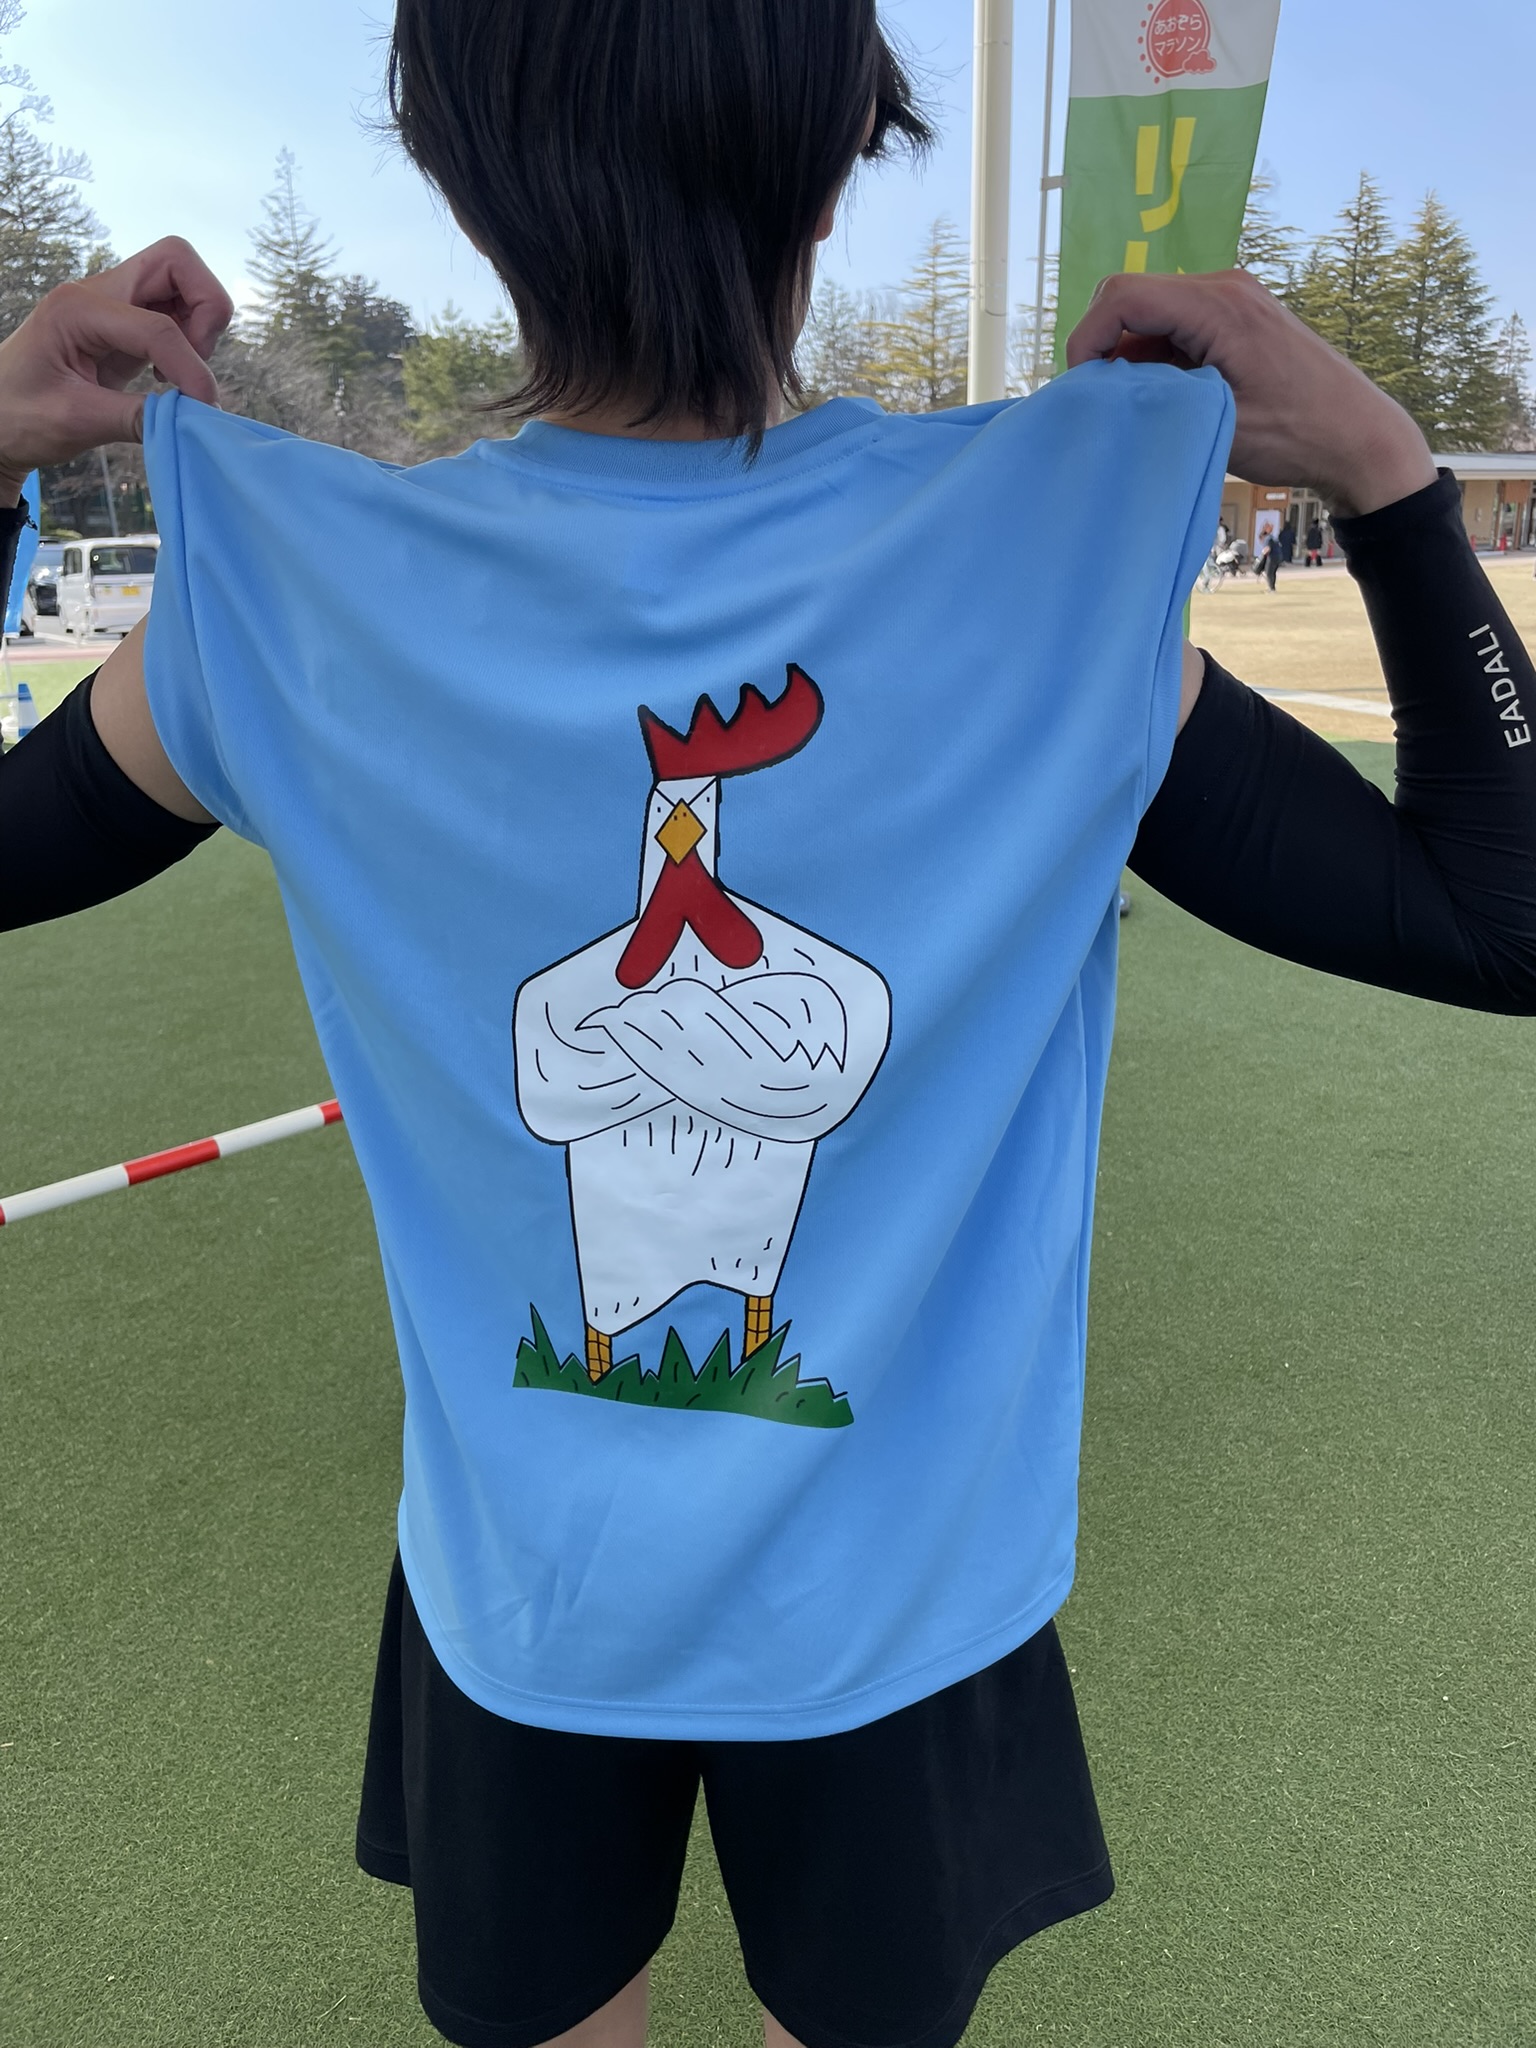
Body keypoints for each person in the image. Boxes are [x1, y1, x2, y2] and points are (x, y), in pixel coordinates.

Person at [3, 8, 1535, 2047]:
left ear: (456, 177)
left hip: (527, 1591)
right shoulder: (1038, 564)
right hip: (899, 1602)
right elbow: (1498, 912)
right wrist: (1393, 483)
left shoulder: (295, 588)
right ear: (835, 173)